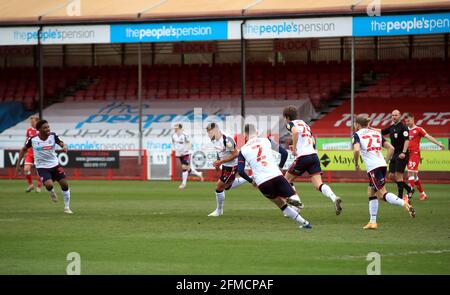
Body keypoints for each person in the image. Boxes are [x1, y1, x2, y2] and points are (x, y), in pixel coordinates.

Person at [237, 124, 312, 229]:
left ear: (245, 135)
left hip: (262, 182)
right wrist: (280, 167)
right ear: (257, 132)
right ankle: (293, 199)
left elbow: (240, 170)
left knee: (282, 205)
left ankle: (305, 223)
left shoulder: (243, 150)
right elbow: (284, 153)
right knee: (292, 194)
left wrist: (251, 181)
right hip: (275, 175)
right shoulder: (266, 140)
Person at [353, 114, 415, 230]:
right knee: (371, 192)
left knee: (382, 194)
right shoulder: (376, 133)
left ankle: (404, 203)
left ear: (357, 124)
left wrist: (356, 164)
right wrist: (385, 161)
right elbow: (391, 148)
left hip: (373, 167)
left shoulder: (357, 135)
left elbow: (356, 150)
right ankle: (372, 222)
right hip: (381, 165)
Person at [282, 105, 342, 215]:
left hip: (303, 157)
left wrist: (295, 148)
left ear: (287, 117)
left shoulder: (290, 124)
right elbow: (313, 141)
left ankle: (297, 205)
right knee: (318, 184)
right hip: (313, 156)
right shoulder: (305, 124)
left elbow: (295, 132)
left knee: (286, 181)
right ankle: (334, 197)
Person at [15, 120, 73, 214]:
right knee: (49, 185)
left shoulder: (53, 136)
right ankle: (52, 192)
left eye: (48, 127)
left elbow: (61, 143)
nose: (48, 129)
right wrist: (18, 165)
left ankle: (67, 207)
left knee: (65, 184)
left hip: (55, 165)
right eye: (45, 127)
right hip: (42, 167)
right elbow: (23, 149)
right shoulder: (32, 139)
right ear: (39, 130)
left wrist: (64, 146)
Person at [206, 122, 247, 217]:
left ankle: (219, 210)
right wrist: (218, 162)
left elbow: (236, 154)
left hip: (233, 165)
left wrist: (220, 162)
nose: (209, 134)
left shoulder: (226, 139)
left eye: (210, 132)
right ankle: (249, 178)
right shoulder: (213, 139)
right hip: (226, 165)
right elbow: (219, 151)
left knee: (219, 187)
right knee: (227, 186)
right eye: (208, 132)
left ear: (216, 130)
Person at [404, 113, 444, 201]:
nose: (407, 122)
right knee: (414, 176)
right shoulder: (405, 130)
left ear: (413, 120)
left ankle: (408, 195)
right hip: (407, 154)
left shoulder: (419, 129)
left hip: (414, 154)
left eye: (408, 121)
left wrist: (438, 144)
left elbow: (428, 137)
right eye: (406, 121)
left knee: (410, 173)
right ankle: (423, 194)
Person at [381, 110, 414, 200]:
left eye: (396, 115)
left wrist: (403, 152)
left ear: (399, 116)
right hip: (394, 154)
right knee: (391, 176)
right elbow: (382, 131)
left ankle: (399, 197)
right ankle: (409, 188)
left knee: (398, 175)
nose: (394, 117)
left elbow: (407, 140)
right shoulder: (392, 127)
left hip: (402, 154)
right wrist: (370, 129)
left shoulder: (403, 127)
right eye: (392, 115)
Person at [171, 123, 203, 189]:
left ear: (180, 128)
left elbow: (189, 143)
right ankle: (199, 174)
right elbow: (173, 144)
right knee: (187, 168)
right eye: (175, 128)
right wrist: (174, 150)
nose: (175, 129)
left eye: (177, 128)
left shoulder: (185, 135)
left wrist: (186, 150)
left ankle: (183, 184)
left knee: (184, 167)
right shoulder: (174, 136)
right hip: (179, 154)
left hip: (186, 153)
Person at [23, 116, 43, 193]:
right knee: (26, 169)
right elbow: (27, 141)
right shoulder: (29, 130)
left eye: (33, 122)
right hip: (30, 153)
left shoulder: (41, 130)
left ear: (37, 122)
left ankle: (38, 186)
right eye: (31, 122)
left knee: (40, 171)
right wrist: (25, 151)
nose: (31, 123)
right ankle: (31, 185)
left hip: (39, 154)